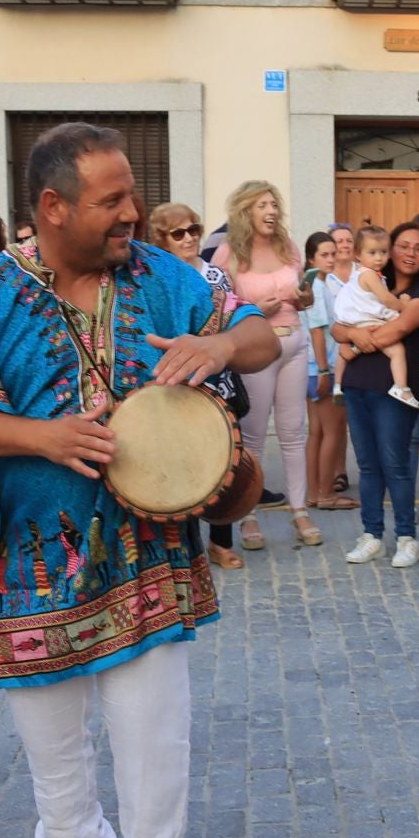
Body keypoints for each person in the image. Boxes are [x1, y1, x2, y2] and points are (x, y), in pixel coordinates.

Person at [0, 122, 278, 838]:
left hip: (145, 549)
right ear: (52, 206)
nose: (132, 212)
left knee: (148, 722)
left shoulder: (166, 276)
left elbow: (259, 333)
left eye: (131, 195)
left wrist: (217, 341)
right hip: (31, 551)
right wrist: (43, 437)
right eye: (111, 200)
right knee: (43, 715)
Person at [215, 180, 319, 549]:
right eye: (262, 205)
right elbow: (219, 307)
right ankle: (248, 515)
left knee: (293, 432)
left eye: (274, 204)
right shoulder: (228, 253)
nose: (271, 211)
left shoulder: (288, 247)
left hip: (294, 344)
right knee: (255, 437)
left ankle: (299, 509)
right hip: (258, 348)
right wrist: (259, 311)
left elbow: (302, 301)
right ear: (245, 211)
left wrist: (304, 297)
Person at [148, 201, 252, 569]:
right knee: (181, 464)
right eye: (179, 233)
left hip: (216, 383)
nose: (190, 238)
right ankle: (182, 545)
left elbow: (235, 322)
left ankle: (221, 542)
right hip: (175, 384)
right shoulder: (155, 279)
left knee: (223, 462)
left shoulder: (215, 274)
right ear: (163, 240)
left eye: (194, 229)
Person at [332, 219, 419, 570]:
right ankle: (371, 534)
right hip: (359, 384)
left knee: (396, 465)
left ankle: (406, 537)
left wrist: (356, 342)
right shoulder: (372, 279)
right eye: (404, 245)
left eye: (418, 248)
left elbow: (397, 329)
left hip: (395, 391)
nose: (410, 253)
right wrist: (349, 335)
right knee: (367, 466)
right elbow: (335, 325)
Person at [300, 224, 356, 512]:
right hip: (323, 367)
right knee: (332, 433)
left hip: (310, 368)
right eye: (325, 254)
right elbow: (318, 332)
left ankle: (313, 492)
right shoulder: (318, 286)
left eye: (333, 253)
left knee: (317, 433)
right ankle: (325, 494)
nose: (331, 259)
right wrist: (324, 370)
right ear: (312, 259)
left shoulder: (311, 284)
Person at [334, 225, 417, 408]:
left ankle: (348, 363)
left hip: (359, 321)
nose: (379, 258)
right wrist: (404, 305)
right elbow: (386, 299)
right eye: (372, 253)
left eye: (383, 252)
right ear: (358, 254)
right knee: (397, 351)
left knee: (356, 345)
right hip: (368, 319)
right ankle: (401, 387)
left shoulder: (364, 275)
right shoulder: (370, 275)